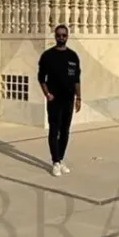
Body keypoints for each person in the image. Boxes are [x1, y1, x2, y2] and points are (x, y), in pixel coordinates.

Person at [37, 24, 81, 176]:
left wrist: (78, 98)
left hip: (68, 99)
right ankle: (55, 162)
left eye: (64, 35)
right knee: (54, 130)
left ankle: (61, 159)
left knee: (65, 131)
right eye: (59, 35)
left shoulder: (73, 56)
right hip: (54, 100)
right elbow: (41, 78)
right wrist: (47, 94)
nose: (61, 38)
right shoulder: (48, 56)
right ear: (55, 36)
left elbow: (77, 79)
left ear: (67, 37)